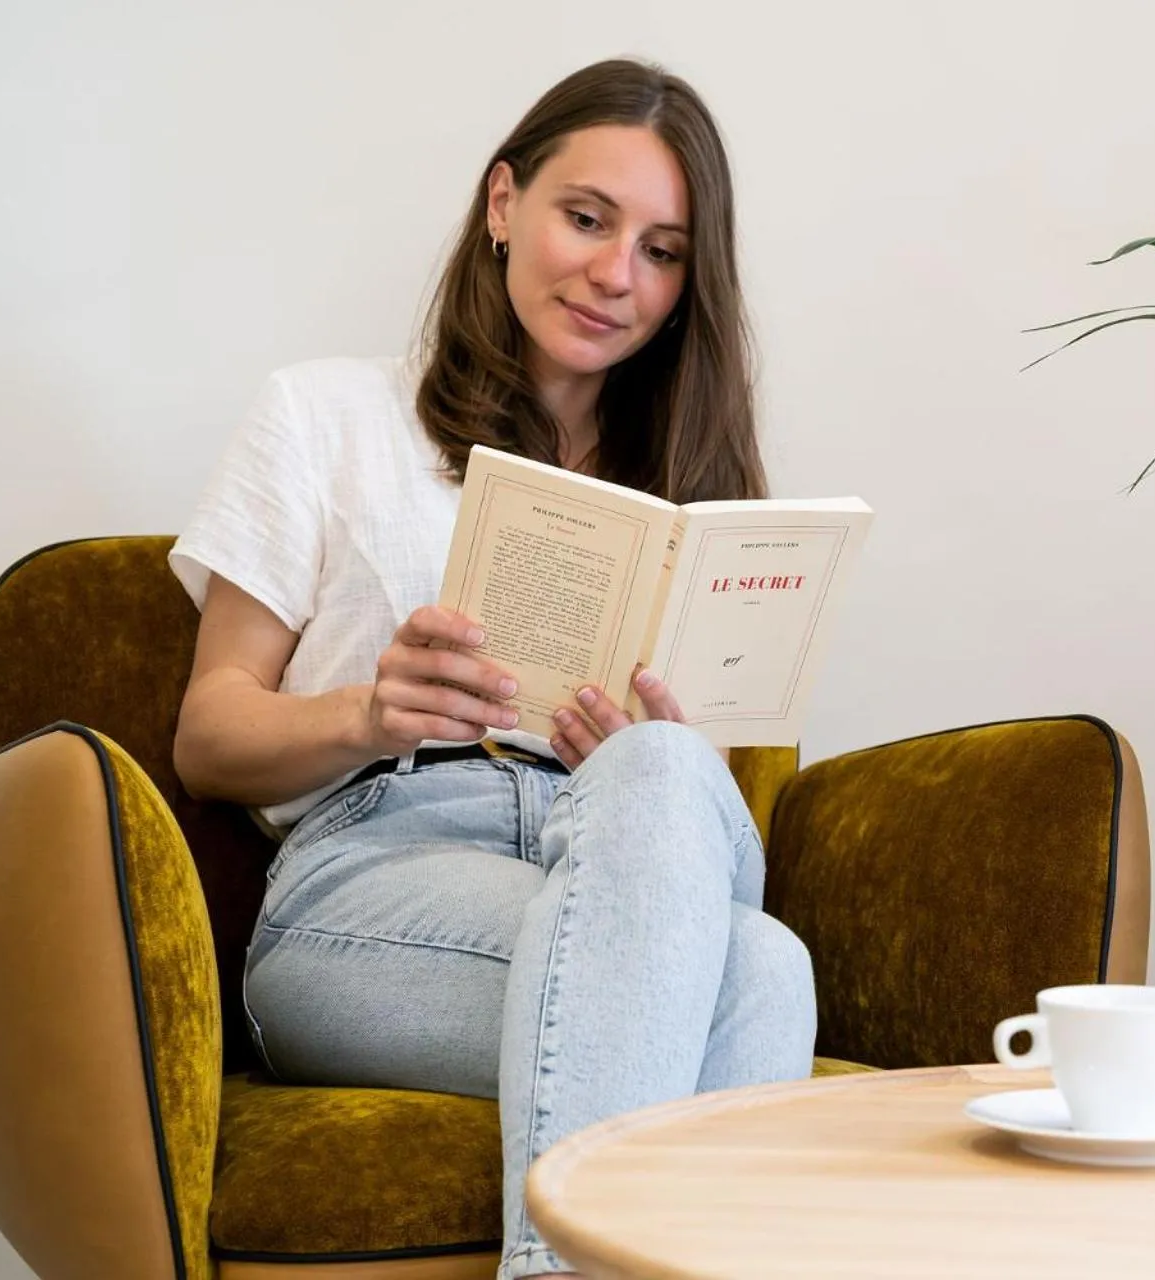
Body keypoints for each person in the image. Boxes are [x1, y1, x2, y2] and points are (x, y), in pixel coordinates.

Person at [168, 59, 818, 1280]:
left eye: (665, 250)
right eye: (587, 217)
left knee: (699, 827)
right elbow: (209, 733)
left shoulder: (693, 488)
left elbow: (698, 825)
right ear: (503, 202)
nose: (617, 273)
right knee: (759, 977)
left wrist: (658, 747)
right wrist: (368, 710)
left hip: (621, 856)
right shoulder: (324, 414)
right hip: (373, 882)